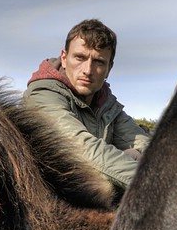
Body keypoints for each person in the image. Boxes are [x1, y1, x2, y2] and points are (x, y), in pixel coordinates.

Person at [22, 19, 151, 190]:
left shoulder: (107, 104)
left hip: (92, 198)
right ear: (64, 58)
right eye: (79, 57)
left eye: (99, 62)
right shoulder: (42, 95)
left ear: (109, 69)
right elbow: (82, 149)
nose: (88, 70)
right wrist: (159, 186)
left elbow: (143, 142)